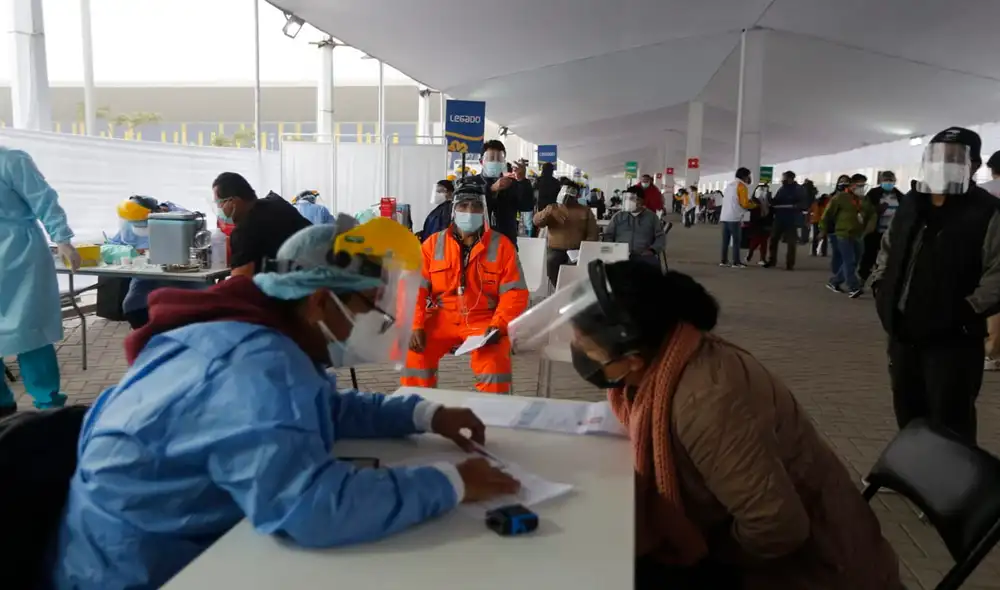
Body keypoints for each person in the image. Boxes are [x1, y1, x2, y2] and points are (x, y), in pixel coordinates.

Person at [49, 217, 521, 590]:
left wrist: (423, 413)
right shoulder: (258, 367)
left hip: (148, 540)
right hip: (140, 570)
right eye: (368, 308)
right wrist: (450, 481)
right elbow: (314, 509)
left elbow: (322, 408)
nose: (378, 321)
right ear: (319, 302)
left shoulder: (255, 335)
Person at [506, 260, 901, 590]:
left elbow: (777, 526)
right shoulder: (668, 362)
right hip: (762, 540)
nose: (581, 357)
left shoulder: (706, 401)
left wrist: (705, 561)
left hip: (815, 569)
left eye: (588, 350)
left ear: (634, 359)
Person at [871, 126, 1000, 444]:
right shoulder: (913, 203)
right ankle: (912, 472)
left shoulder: (987, 212)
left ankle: (950, 486)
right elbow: (888, 249)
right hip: (903, 331)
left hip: (953, 338)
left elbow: (997, 271)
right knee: (908, 407)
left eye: (954, 157)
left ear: (974, 164)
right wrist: (880, 287)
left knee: (950, 414)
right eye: (938, 156)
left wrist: (967, 309)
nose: (944, 164)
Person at [402, 184, 529, 394]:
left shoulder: (502, 246)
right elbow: (413, 288)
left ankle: (492, 419)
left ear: (485, 211)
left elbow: (514, 293)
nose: (469, 212)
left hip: (485, 320)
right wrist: (415, 325)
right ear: (453, 210)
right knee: (414, 353)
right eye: (463, 206)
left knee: (495, 364)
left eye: (476, 207)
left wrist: (499, 325)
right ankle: (418, 411)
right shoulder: (432, 245)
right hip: (442, 316)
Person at [0, 147, 81, 418]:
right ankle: (3, 407)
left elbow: (44, 199)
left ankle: (49, 406)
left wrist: (62, 238)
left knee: (30, 332)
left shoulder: (12, 160)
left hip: (21, 257)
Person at [106, 197, 200, 329]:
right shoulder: (129, 224)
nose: (138, 227)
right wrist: (131, 252)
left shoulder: (179, 219)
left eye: (143, 223)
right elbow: (109, 247)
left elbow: (200, 248)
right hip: (146, 278)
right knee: (132, 306)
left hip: (184, 277)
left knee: (186, 308)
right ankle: (148, 340)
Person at [214, 172, 312, 277]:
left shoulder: (245, 229)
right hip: (321, 275)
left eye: (220, 203)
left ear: (234, 201)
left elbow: (239, 283)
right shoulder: (276, 203)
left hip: (294, 286)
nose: (219, 209)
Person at [462, 140, 534, 246]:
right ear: (482, 161)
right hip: (477, 244)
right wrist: (491, 190)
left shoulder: (512, 184)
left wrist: (522, 181)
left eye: (499, 159)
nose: (495, 162)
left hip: (506, 243)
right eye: (491, 158)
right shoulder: (470, 183)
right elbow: (467, 210)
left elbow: (526, 206)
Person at [534, 183, 600, 287]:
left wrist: (585, 249)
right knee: (551, 262)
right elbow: (537, 222)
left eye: (570, 194)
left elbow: (593, 233)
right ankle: (558, 288)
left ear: (576, 196)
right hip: (556, 249)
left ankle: (571, 290)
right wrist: (547, 212)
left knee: (575, 268)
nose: (566, 197)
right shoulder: (552, 208)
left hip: (577, 250)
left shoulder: (585, 210)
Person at [823, 173, 875, 298]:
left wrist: (870, 226)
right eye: (859, 185)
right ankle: (854, 287)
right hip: (843, 233)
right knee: (849, 260)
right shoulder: (840, 198)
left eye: (864, 185)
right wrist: (823, 229)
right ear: (852, 185)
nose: (862, 187)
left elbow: (871, 213)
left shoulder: (864, 199)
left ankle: (835, 281)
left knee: (855, 260)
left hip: (858, 234)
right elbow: (827, 214)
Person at [857, 171, 903, 283]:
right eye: (886, 180)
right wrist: (877, 210)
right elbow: (865, 210)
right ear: (881, 181)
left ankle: (883, 280)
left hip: (891, 232)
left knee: (888, 257)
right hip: (875, 231)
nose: (888, 183)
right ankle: (862, 279)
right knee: (869, 255)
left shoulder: (899, 195)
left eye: (891, 180)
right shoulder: (873, 194)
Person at [603, 186, 665, 267]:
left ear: (642, 201)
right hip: (620, 253)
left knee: (652, 270)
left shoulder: (651, 217)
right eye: (628, 199)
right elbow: (608, 235)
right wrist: (613, 248)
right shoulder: (619, 216)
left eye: (634, 199)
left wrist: (652, 250)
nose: (630, 202)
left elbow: (660, 237)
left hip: (643, 254)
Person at [718, 167, 756, 268]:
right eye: (748, 176)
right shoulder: (742, 186)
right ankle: (736, 262)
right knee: (736, 241)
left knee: (725, 241)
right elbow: (744, 204)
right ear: (744, 176)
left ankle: (724, 261)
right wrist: (755, 205)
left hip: (725, 216)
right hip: (734, 217)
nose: (749, 178)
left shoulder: (730, 185)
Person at [766, 171, 803, 270]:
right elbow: (777, 201)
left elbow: (802, 203)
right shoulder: (782, 189)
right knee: (773, 239)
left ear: (790, 178)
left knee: (791, 242)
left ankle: (790, 264)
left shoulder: (798, 189)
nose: (782, 180)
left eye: (784, 178)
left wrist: (795, 206)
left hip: (791, 219)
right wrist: (769, 199)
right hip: (779, 217)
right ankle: (772, 260)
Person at [743, 183, 772, 267]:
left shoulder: (767, 200)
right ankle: (750, 255)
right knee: (756, 240)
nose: (765, 191)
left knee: (764, 241)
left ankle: (762, 258)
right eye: (763, 189)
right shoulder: (754, 201)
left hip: (766, 221)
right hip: (757, 222)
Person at [799, 179, 818, 244]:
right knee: (807, 225)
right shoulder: (813, 190)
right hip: (811, 209)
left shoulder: (804, 189)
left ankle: (804, 239)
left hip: (805, 209)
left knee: (804, 225)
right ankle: (805, 238)